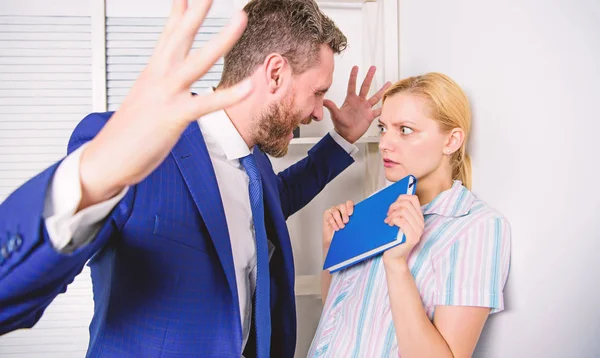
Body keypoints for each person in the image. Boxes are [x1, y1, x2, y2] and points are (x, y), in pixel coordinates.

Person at [0, 0, 390, 357]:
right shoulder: (138, 152)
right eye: (318, 92)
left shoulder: (255, 164)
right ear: (275, 73)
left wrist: (342, 140)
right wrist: (89, 176)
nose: (320, 111)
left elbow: (274, 201)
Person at [310, 73, 511, 357]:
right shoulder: (375, 205)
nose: (384, 144)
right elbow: (337, 310)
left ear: (451, 140)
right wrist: (331, 247)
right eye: (383, 128)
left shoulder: (476, 227)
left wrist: (396, 265)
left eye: (405, 130)